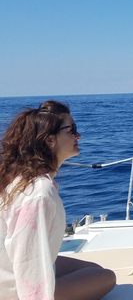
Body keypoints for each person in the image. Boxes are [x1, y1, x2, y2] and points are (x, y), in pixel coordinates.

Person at [0, 101, 116, 300]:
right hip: (13, 291)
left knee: (94, 270)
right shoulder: (39, 193)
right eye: (71, 130)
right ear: (49, 140)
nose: (78, 136)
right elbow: (29, 260)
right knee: (107, 277)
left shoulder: (19, 179)